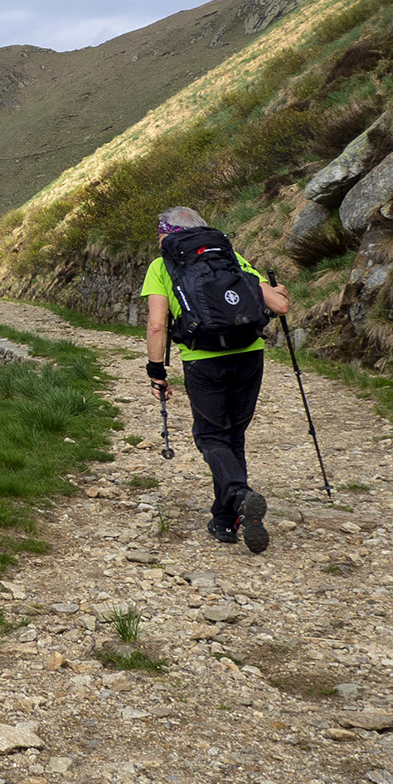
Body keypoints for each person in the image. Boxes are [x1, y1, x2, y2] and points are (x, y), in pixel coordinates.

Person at [142, 206, 292, 553]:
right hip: (249, 353)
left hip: (203, 359)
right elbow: (280, 306)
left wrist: (156, 372)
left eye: (159, 234)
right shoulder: (229, 255)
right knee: (232, 436)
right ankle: (225, 520)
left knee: (210, 437)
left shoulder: (161, 265)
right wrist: (278, 290)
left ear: (168, 233)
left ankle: (239, 496)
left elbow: (156, 324)